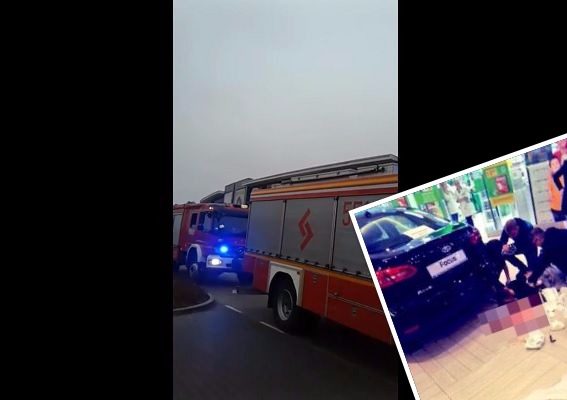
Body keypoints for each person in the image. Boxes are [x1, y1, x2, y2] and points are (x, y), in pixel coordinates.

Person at [549, 156, 565, 222]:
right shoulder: (550, 180)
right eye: (553, 164)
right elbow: (550, 196)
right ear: (550, 168)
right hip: (555, 210)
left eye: (557, 163)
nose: (555, 165)